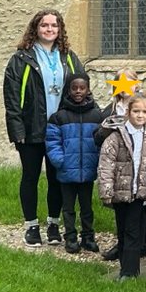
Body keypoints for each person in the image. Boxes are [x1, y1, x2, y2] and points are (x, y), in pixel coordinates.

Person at [3, 8, 82, 246]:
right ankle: (31, 226)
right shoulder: (21, 59)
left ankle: (53, 224)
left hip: (60, 130)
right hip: (31, 129)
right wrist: (17, 130)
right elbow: (12, 98)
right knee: (31, 177)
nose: (49, 29)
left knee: (57, 178)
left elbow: (81, 89)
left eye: (54, 25)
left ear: (60, 29)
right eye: (44, 25)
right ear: (36, 29)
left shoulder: (68, 57)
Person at [96, 92, 146, 280]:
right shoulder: (116, 136)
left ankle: (130, 272)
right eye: (136, 111)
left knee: (133, 231)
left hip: (138, 191)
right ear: (128, 112)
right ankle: (126, 268)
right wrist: (106, 190)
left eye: (144, 112)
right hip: (120, 190)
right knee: (123, 230)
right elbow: (106, 163)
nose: (140, 115)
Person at [45, 71, 102, 254]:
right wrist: (60, 161)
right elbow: (52, 142)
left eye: (82, 88)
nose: (78, 91)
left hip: (87, 170)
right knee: (68, 208)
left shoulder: (96, 116)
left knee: (87, 207)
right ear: (68, 90)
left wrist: (97, 160)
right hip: (66, 171)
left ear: (88, 90)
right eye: (74, 88)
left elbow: (102, 141)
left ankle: (88, 237)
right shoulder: (59, 117)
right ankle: (70, 238)